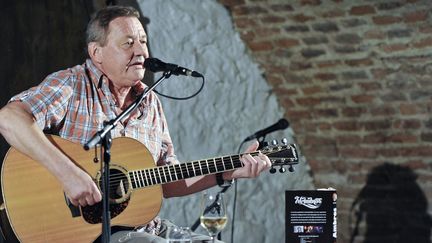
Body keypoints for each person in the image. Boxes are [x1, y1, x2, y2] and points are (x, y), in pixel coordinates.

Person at [0, 5, 271, 243]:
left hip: (146, 230)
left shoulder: (149, 103)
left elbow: (168, 180)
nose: (141, 50)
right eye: (128, 43)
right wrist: (68, 174)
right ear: (97, 53)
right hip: (89, 234)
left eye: (143, 41)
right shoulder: (73, 85)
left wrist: (228, 172)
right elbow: (9, 118)